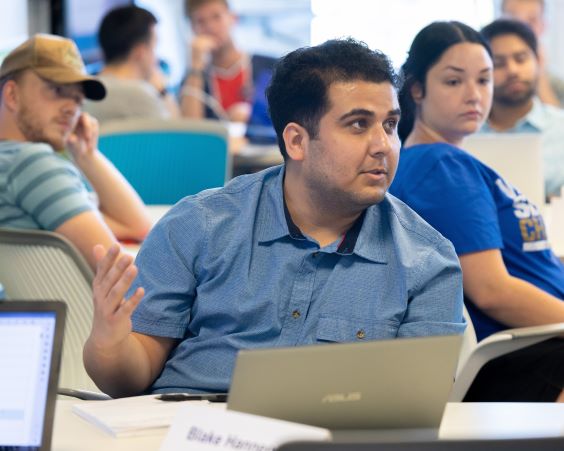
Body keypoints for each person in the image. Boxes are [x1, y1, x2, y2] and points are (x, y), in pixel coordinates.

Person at [84, 38, 465, 398]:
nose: (383, 145)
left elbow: (417, 404)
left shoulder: (428, 261)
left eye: (390, 125)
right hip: (190, 431)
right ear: (297, 141)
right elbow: (129, 380)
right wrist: (110, 343)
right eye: (358, 124)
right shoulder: (199, 224)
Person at [389, 21, 564, 402]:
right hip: (526, 354)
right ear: (416, 88)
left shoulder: (444, 160)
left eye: (484, 81)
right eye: (454, 82)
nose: (474, 95)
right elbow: (492, 292)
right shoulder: (440, 168)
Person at [0, 34, 151, 269]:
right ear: (11, 95)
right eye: (57, 90)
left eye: (78, 99)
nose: (72, 109)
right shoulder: (31, 163)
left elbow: (136, 226)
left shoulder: (10, 162)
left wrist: (85, 154)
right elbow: (121, 273)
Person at [480, 18, 564, 199]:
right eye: (499, 63)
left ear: (538, 61)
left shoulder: (560, 128)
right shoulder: (465, 133)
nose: (513, 70)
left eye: (521, 58)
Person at [180, 0, 276, 122]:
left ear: (233, 18)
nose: (210, 27)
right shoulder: (193, 80)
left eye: (216, 17)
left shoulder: (270, 67)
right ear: (193, 29)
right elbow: (189, 129)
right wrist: (195, 66)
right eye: (201, 21)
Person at [83, 5, 181, 123]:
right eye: (154, 48)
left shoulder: (87, 92)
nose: (157, 58)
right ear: (140, 52)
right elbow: (178, 135)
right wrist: (163, 91)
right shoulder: (140, 94)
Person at [501, 0, 564, 106]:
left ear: (543, 26)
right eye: (513, 20)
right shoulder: (483, 74)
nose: (520, 29)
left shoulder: (557, 85)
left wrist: (540, 75)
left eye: (532, 21)